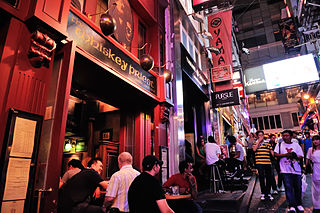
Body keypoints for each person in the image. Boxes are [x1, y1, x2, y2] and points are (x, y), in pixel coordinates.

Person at [274, 130, 304, 213]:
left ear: (291, 136)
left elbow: (301, 156)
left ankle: (299, 204)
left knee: (298, 187)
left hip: (296, 170)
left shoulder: (296, 145)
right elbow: (275, 154)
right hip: (285, 170)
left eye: (287, 136)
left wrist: (295, 156)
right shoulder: (279, 144)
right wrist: (285, 155)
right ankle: (291, 205)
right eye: (283, 136)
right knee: (288, 187)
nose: (285, 137)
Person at [253, 131, 274, 201]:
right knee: (261, 178)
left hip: (267, 162)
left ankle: (268, 193)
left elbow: (272, 152)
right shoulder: (255, 143)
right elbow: (254, 149)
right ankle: (263, 193)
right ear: (257, 136)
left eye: (262, 135)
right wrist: (258, 142)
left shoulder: (267, 143)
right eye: (259, 135)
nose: (261, 137)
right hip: (259, 163)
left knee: (269, 177)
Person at [306, 135, 320, 211]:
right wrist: (306, 168)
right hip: (315, 170)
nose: (315, 141)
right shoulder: (310, 150)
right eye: (314, 140)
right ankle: (317, 205)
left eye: (317, 139)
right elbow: (307, 159)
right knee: (316, 189)